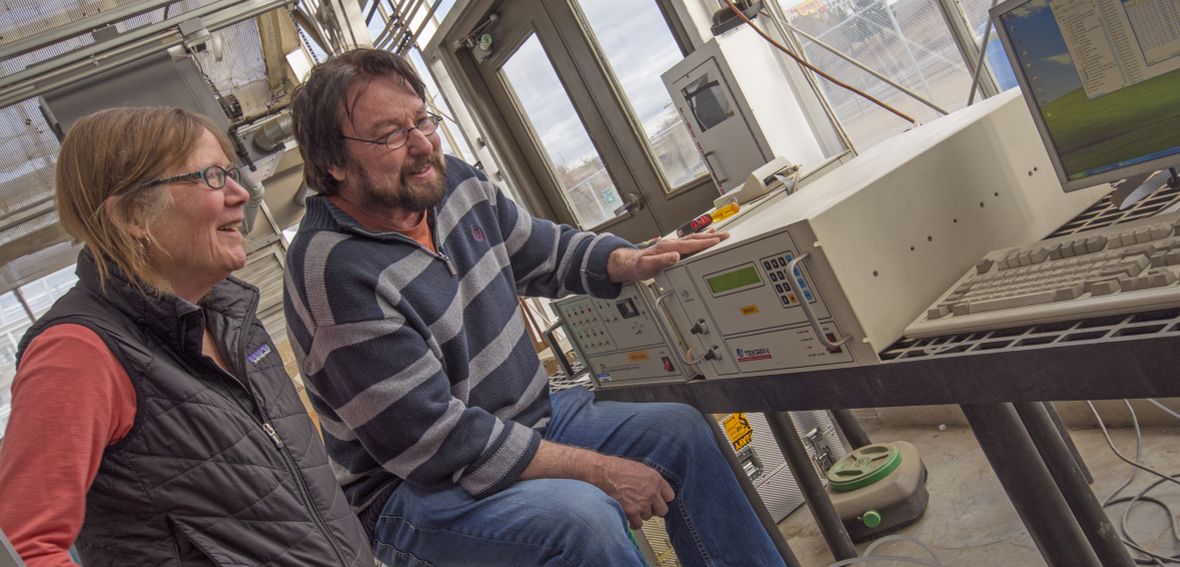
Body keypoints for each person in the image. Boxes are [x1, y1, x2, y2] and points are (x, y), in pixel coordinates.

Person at [285, 48, 786, 567]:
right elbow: (434, 442)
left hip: (529, 420)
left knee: (682, 433)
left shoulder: (451, 181)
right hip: (412, 493)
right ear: (333, 163)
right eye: (390, 134)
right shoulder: (333, 272)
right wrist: (598, 470)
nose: (421, 145)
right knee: (582, 520)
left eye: (423, 119)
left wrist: (628, 259)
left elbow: (540, 250)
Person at [0, 107, 373, 566]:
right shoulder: (80, 352)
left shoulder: (229, 317)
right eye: (213, 177)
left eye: (232, 173)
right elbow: (21, 546)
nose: (243, 193)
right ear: (133, 214)